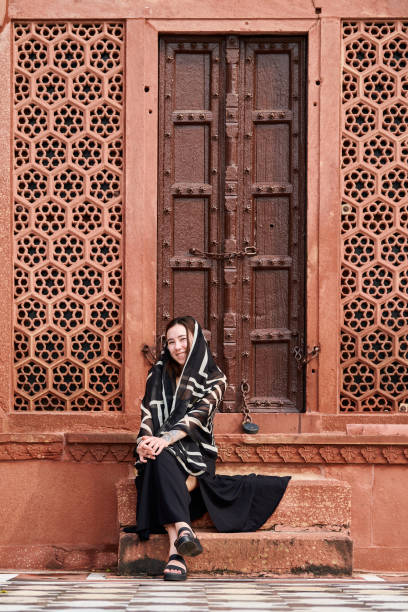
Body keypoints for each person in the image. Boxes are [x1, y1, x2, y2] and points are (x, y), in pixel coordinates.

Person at [132, 316, 291, 581]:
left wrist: (163, 440)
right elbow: (147, 411)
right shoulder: (157, 373)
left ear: (195, 341)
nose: (177, 347)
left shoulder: (214, 378)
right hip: (161, 451)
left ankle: (177, 544)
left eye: (183, 339)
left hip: (196, 453)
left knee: (159, 460)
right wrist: (143, 443)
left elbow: (197, 417)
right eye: (171, 342)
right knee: (157, 458)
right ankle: (180, 543)